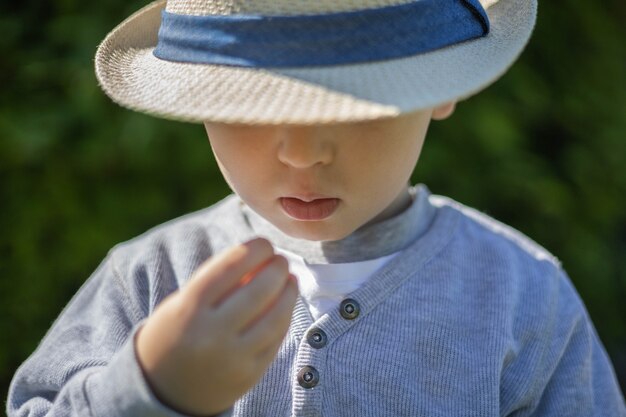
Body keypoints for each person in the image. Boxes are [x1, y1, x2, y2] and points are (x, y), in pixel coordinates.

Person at [7, 0, 626, 415]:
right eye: (251, 106)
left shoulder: (522, 295)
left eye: (351, 104)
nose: (302, 154)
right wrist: (147, 388)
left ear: (445, 88)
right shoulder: (151, 278)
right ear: (197, 99)